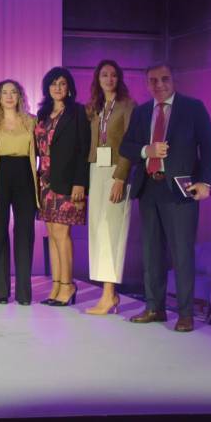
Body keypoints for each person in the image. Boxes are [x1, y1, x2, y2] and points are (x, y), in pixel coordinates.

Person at [120, 63, 211, 332]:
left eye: (164, 79)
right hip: (149, 188)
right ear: (146, 83)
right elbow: (126, 146)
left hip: (181, 190)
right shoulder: (141, 112)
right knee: (151, 252)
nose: (159, 84)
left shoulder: (193, 108)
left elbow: (209, 147)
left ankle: (185, 314)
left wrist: (206, 182)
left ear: (173, 79)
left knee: (182, 253)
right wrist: (146, 150)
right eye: (153, 80)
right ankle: (155, 308)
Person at [0, 80, 38, 305]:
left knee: (25, 233)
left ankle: (23, 292)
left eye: (14, 92)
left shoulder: (31, 121)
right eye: (5, 92)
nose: (9, 96)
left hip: (24, 177)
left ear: (20, 96)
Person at [34, 67, 91, 307]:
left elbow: (84, 149)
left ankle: (68, 285)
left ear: (69, 87)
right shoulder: (43, 113)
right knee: (52, 234)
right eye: (54, 83)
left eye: (62, 83)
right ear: (47, 87)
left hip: (68, 182)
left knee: (62, 234)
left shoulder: (78, 112)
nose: (58, 87)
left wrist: (81, 181)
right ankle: (57, 285)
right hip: (45, 181)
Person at [84, 60, 135, 315]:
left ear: (119, 78)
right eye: (104, 74)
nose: (109, 79)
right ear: (98, 78)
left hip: (116, 171)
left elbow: (131, 142)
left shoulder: (127, 105)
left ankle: (109, 294)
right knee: (97, 228)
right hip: (96, 168)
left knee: (112, 230)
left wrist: (121, 177)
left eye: (113, 75)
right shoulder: (94, 107)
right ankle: (106, 294)